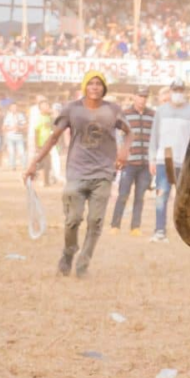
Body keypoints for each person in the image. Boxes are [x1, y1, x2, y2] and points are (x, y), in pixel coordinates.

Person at [26, 70, 129, 277]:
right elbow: (54, 137)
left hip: (103, 173)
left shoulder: (113, 110)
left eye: (98, 84)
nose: (94, 87)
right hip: (77, 172)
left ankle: (83, 263)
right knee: (72, 219)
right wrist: (34, 163)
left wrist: (124, 150)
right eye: (90, 83)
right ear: (84, 86)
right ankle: (69, 251)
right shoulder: (71, 110)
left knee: (95, 221)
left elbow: (129, 131)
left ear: (104, 87)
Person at [149, 78, 190, 241]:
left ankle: (187, 231)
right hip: (163, 160)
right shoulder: (161, 111)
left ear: (184, 92)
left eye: (180, 90)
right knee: (161, 196)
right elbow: (154, 137)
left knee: (185, 198)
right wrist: (152, 159)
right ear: (170, 92)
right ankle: (159, 230)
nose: (177, 94)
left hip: (184, 162)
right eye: (175, 90)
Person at [110, 85, 154, 235]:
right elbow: (118, 136)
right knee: (123, 195)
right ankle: (115, 225)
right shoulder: (125, 114)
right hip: (128, 163)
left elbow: (154, 138)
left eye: (145, 96)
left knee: (140, 197)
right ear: (134, 97)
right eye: (140, 96)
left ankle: (135, 226)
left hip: (145, 163)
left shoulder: (152, 115)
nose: (142, 99)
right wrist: (120, 154)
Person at [3, 101, 27, 171]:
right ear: (10, 108)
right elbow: (4, 127)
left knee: (22, 151)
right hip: (10, 136)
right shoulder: (8, 116)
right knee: (11, 152)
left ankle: (24, 165)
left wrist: (19, 127)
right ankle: (13, 166)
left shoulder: (20, 115)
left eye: (15, 107)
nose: (14, 109)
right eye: (12, 107)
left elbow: (25, 125)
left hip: (19, 136)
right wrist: (11, 128)